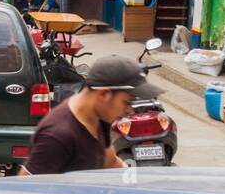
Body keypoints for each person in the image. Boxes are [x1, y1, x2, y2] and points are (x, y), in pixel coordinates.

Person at [23, 56, 162, 175]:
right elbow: (26, 192)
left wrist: (136, 183)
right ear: (104, 94)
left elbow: (111, 162)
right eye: (127, 102)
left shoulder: (100, 116)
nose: (130, 110)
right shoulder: (58, 136)